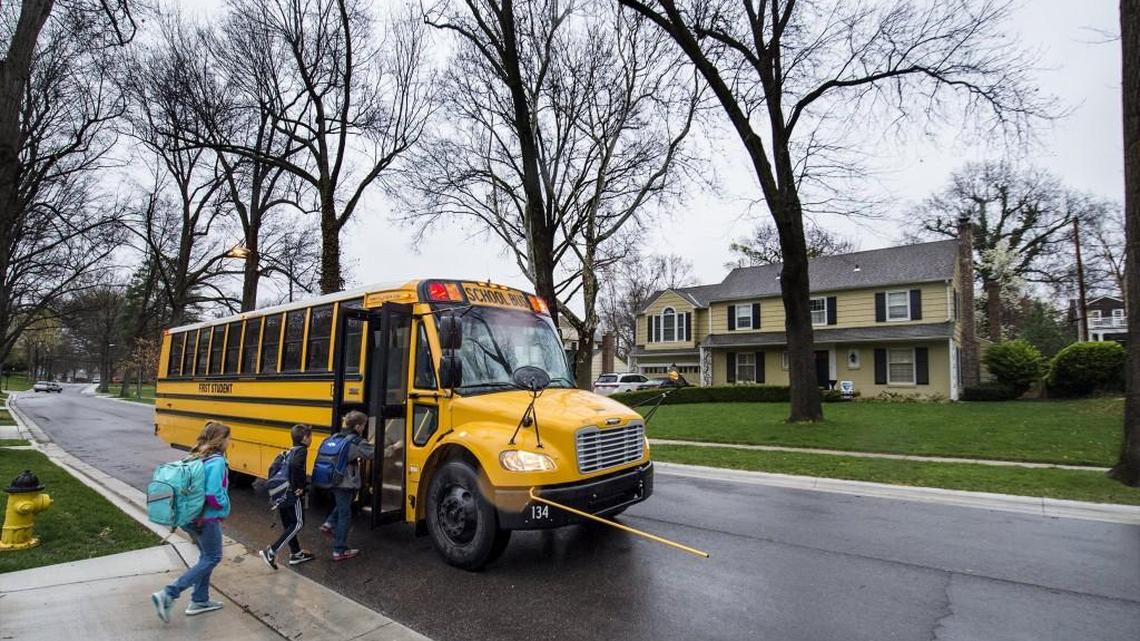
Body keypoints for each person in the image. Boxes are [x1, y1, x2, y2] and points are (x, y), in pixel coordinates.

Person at [151, 421, 232, 623]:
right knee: (212, 557)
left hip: (190, 517)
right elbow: (213, 493)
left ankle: (199, 600)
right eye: (229, 438)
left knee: (206, 557)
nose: (230, 442)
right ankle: (169, 593)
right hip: (206, 519)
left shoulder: (196, 456)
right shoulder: (217, 461)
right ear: (221, 440)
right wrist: (224, 505)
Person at [319, 410, 374, 561]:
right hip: (346, 482)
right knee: (345, 514)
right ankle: (339, 550)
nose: (363, 428)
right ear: (357, 426)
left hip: (333, 479)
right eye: (363, 425)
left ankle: (329, 523)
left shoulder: (336, 436)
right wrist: (395, 446)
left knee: (343, 504)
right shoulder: (356, 442)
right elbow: (373, 453)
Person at [258, 424, 314, 570]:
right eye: (310, 436)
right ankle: (271, 552)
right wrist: (299, 487)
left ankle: (296, 553)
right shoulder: (302, 450)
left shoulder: (288, 451)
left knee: (289, 523)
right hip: (291, 493)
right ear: (305, 438)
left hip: (280, 492)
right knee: (298, 523)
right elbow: (296, 466)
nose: (311, 439)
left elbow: (272, 469)